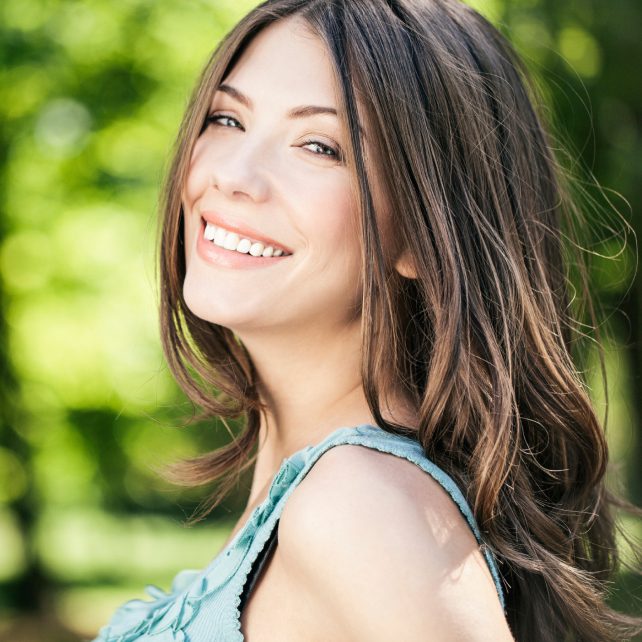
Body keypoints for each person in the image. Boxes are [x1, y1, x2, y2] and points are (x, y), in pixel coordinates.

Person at [92, 0, 642, 640]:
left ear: (423, 233)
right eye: (226, 117)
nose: (235, 176)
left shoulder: (358, 505)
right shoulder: (324, 494)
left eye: (319, 146)